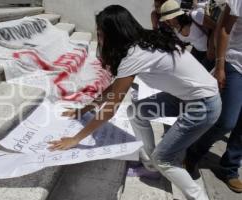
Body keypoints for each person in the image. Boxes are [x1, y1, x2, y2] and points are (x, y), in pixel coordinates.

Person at [48, 5, 221, 200]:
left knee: (164, 159)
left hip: (203, 104)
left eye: (101, 33)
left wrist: (75, 139)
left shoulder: (134, 54)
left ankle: (198, 197)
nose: (100, 39)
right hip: (185, 97)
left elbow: (111, 108)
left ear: (113, 33)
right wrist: (84, 109)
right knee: (136, 111)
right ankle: (149, 165)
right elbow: (115, 88)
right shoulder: (141, 41)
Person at [186, 0, 242, 193]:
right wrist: (219, 65)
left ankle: (230, 168)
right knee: (227, 121)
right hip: (235, 63)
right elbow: (224, 28)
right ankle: (194, 152)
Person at [160, 0, 216, 71]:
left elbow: (216, 27)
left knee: (204, 72)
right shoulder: (174, 29)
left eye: (167, 20)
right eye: (165, 21)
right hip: (198, 51)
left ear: (175, 16)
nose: (166, 23)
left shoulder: (195, 16)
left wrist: (211, 48)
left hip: (213, 49)